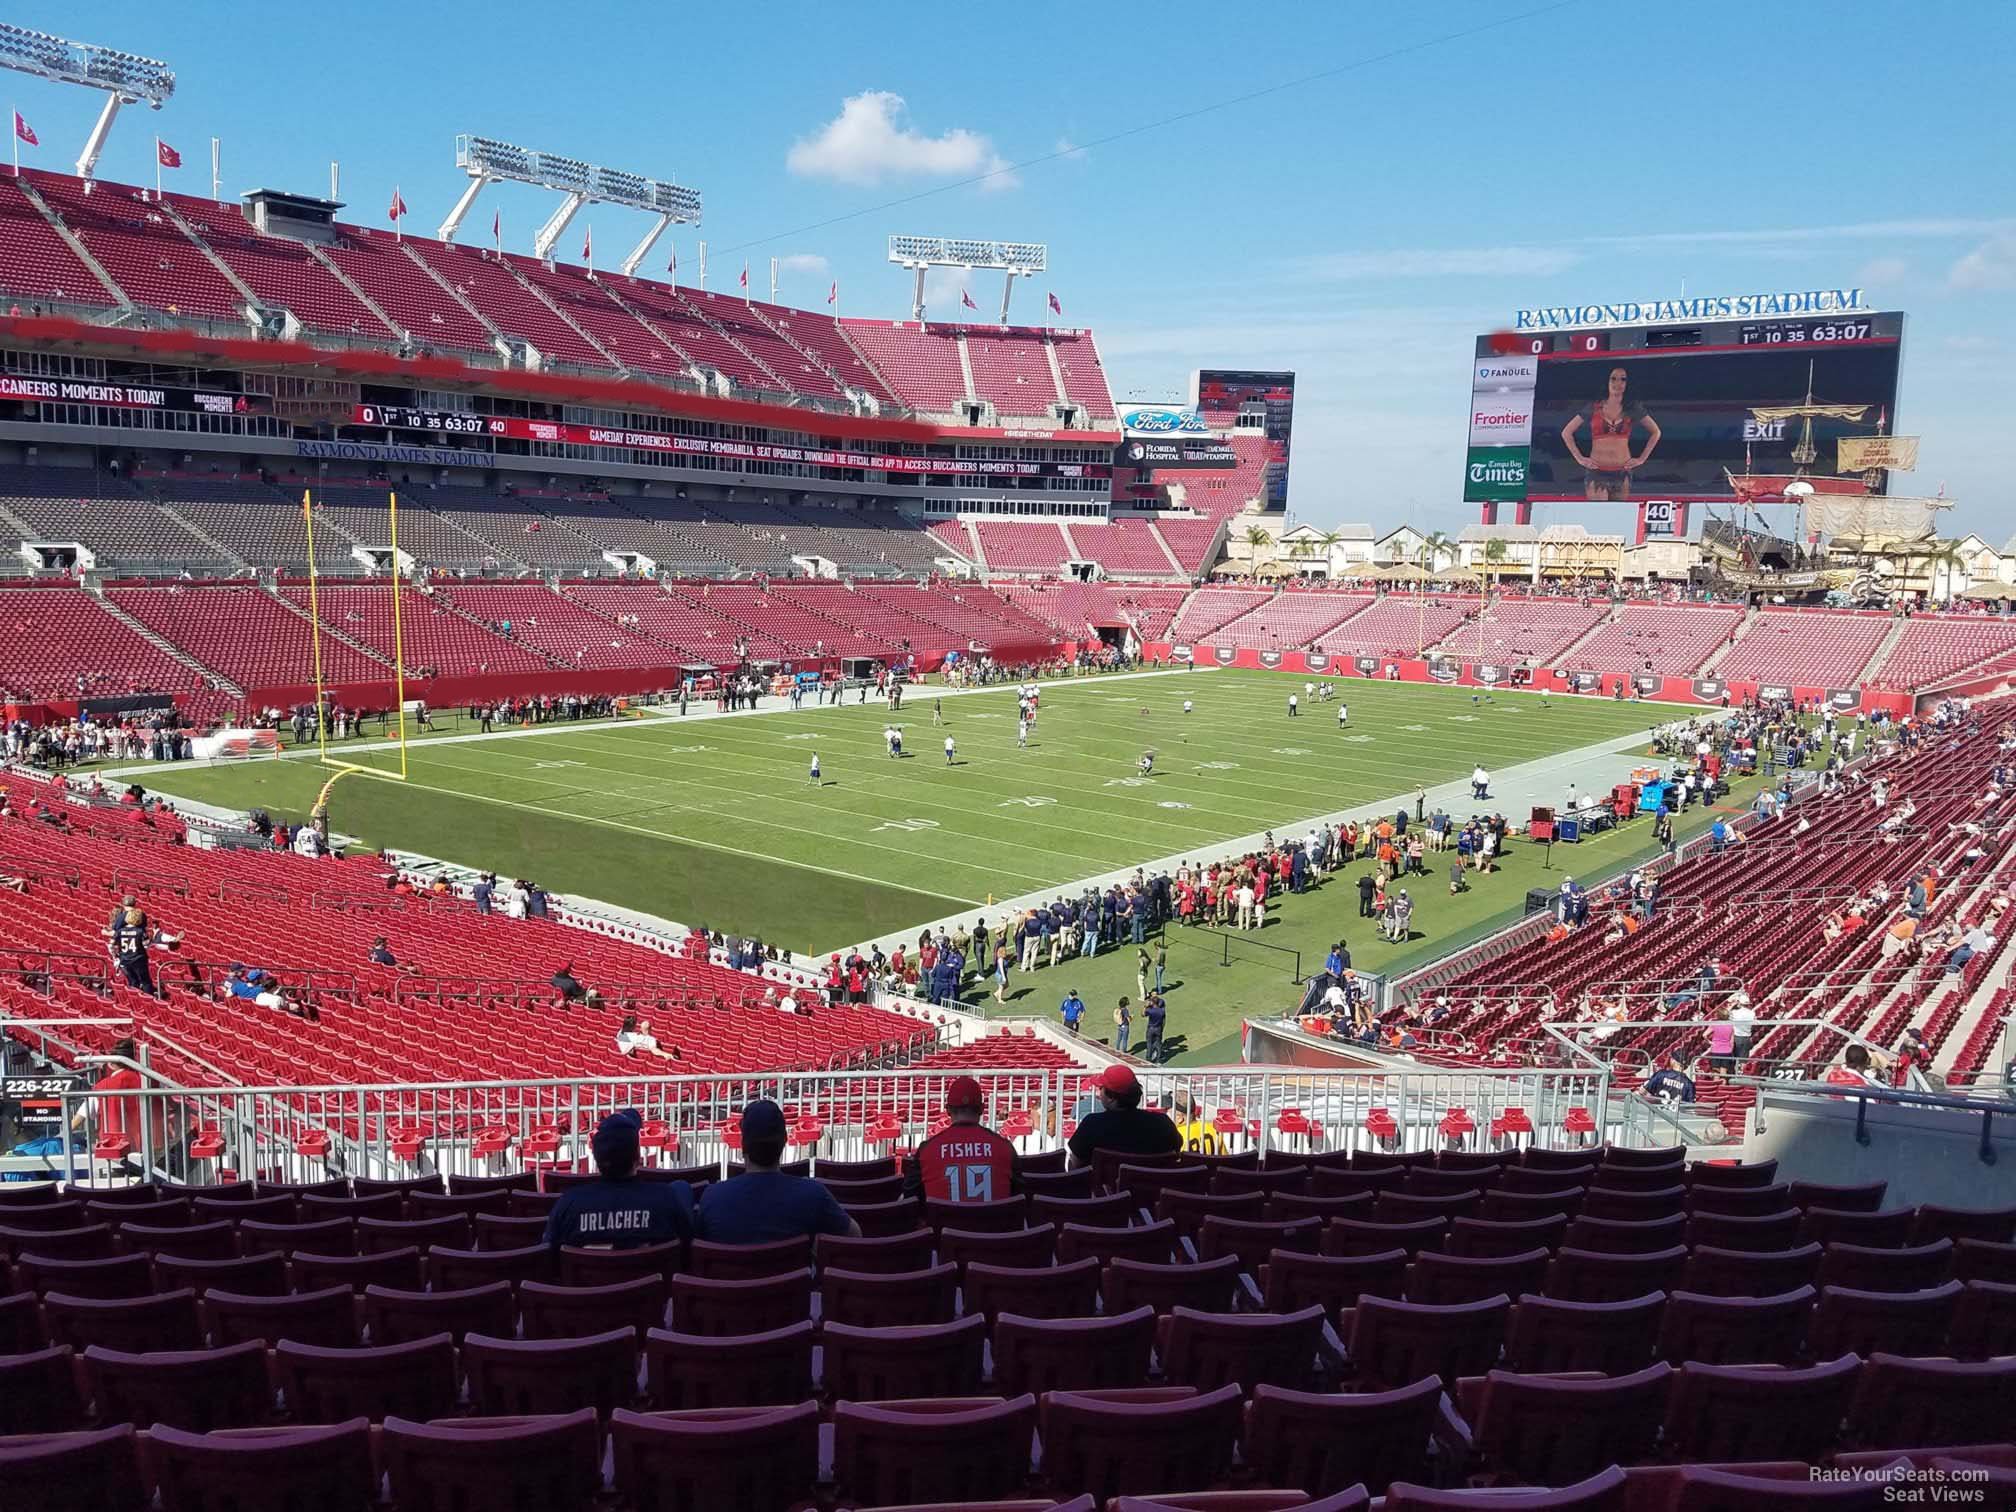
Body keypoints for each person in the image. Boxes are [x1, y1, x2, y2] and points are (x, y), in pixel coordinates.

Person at [696, 1101, 860, 1243]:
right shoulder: (813, 1194)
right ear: (785, 1141)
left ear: (743, 1144)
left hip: (728, 1279)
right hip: (796, 1280)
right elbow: (854, 1235)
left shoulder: (712, 1197)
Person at [542, 1110, 694, 1250]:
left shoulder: (569, 1204)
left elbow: (549, 1258)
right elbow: (687, 1253)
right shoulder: (666, 1199)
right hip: (653, 1277)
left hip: (586, 1280)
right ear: (637, 1157)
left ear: (596, 1157)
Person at [902, 1076, 1016, 1202]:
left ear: (948, 1110)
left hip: (941, 1222)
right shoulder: (1005, 1148)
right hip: (995, 1221)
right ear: (982, 1109)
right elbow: (1021, 1199)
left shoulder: (927, 1150)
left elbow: (909, 1199)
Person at [1560, 364, 1662, 501]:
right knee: (1598, 514)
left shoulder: (1633, 408)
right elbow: (1566, 432)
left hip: (1622, 471)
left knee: (1620, 515)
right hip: (1597, 471)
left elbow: (1656, 432)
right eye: (1613, 378)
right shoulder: (1594, 407)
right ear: (1607, 381)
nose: (1617, 383)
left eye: (1623, 379)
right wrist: (1579, 458)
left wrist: (1642, 459)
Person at [1067, 1064, 1181, 1170]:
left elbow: (1074, 1165)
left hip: (1107, 1191)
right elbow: (1176, 1154)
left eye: (1101, 1088)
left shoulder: (1091, 1124)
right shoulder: (1163, 1123)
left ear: (1111, 1097)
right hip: (1155, 1190)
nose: (1099, 1092)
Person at [1142, 992, 1167, 1061]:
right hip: (1158, 1028)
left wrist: (1145, 1006)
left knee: (1149, 1043)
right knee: (1158, 1042)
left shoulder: (1150, 1011)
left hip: (1151, 1028)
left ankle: (1148, 1058)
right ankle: (1159, 1057)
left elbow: (1143, 1014)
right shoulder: (1162, 1011)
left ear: (1152, 1002)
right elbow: (1163, 1018)